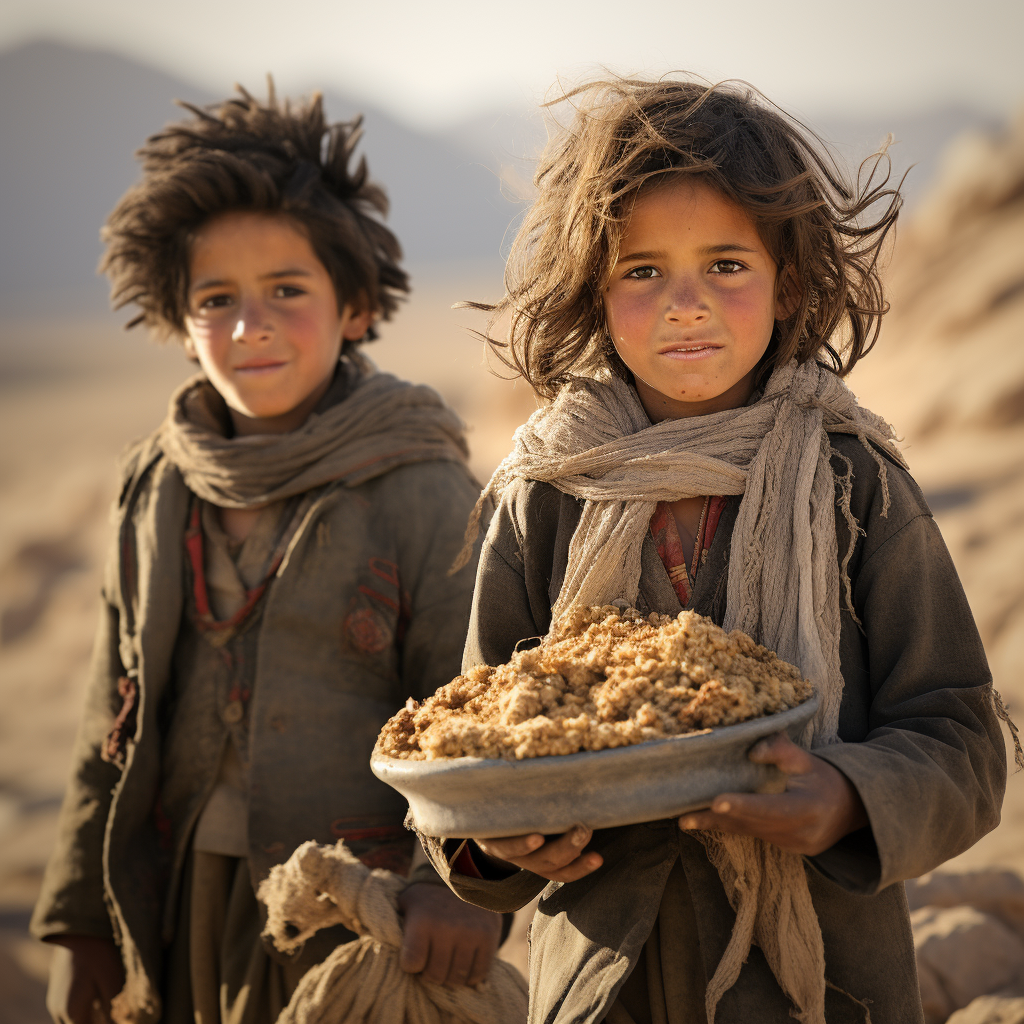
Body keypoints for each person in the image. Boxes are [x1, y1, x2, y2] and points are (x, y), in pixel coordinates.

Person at [419, 77, 1014, 1024]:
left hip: (821, 981)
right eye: (643, 270)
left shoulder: (852, 482)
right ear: (592, 289)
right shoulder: (547, 491)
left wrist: (847, 798)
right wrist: (494, 843)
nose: (685, 304)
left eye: (727, 264)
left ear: (792, 283)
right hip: (606, 979)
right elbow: (472, 738)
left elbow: (962, 739)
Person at [31, 86, 502, 1024]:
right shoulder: (156, 486)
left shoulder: (418, 485)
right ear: (178, 317)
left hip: (356, 910)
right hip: (176, 898)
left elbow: (481, 711)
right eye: (218, 300)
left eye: (288, 290)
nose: (251, 327)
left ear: (356, 306)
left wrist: (462, 881)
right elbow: (106, 729)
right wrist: (81, 922)